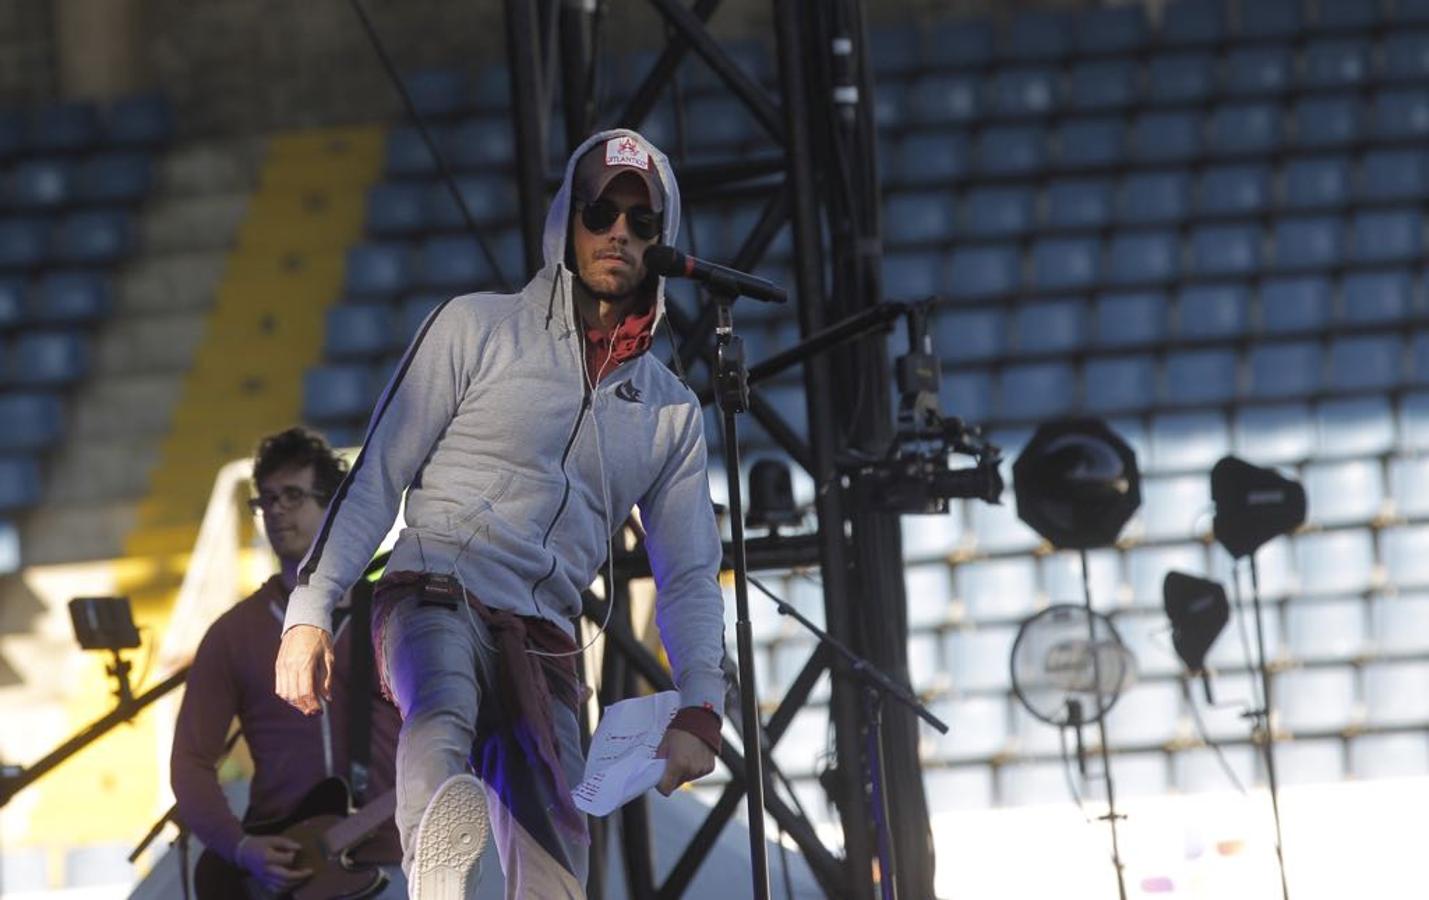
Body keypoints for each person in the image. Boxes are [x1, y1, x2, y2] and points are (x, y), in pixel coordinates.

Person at [274, 128, 727, 899]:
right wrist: (310, 611)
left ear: (662, 238)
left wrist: (701, 711)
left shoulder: (670, 412)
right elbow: (376, 475)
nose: (618, 231)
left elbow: (687, 574)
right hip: (434, 588)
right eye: (601, 211)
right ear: (567, 221)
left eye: (640, 221)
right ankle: (439, 874)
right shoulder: (473, 327)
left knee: (559, 859)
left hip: (545, 644)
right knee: (440, 710)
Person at [172, 428, 404, 898]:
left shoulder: (390, 612)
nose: (275, 511)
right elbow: (190, 762)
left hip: (392, 862)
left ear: (334, 504)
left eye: (292, 496)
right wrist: (239, 848)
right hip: (276, 871)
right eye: (266, 500)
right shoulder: (233, 632)